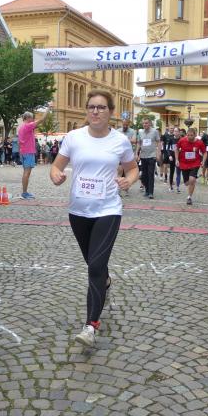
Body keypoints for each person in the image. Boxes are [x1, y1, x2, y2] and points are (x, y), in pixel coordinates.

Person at [49, 90, 137, 347]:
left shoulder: (120, 141)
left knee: (95, 266)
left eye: (101, 107)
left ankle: (90, 325)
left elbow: (133, 169)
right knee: (93, 262)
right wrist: (56, 175)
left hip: (108, 210)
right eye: (91, 107)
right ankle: (105, 282)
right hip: (78, 211)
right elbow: (56, 165)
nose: (95, 111)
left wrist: (128, 181)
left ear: (110, 112)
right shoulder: (74, 137)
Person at [175, 127, 207, 205]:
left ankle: (189, 197)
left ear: (195, 135)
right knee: (186, 183)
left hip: (195, 163)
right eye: (188, 135)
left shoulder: (199, 142)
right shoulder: (182, 140)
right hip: (184, 163)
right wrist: (177, 159)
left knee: (192, 180)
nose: (189, 137)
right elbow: (176, 149)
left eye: (191, 135)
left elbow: (205, 153)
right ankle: (196, 177)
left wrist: (203, 162)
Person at [18, 112, 44, 199]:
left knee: (26, 172)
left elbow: (19, 142)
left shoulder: (21, 127)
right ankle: (24, 193)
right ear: (28, 118)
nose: (33, 120)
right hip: (28, 152)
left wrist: (20, 152)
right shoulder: (28, 126)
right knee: (27, 173)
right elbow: (42, 120)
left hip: (24, 151)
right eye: (32, 118)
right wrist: (49, 108)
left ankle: (24, 192)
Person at [136, 117, 161, 199]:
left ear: (150, 123)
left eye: (146, 123)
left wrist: (158, 153)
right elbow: (139, 143)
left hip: (152, 156)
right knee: (144, 175)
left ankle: (150, 192)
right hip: (143, 156)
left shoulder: (155, 131)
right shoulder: (140, 132)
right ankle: (147, 189)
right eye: (143, 123)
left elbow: (158, 142)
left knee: (150, 174)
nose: (145, 124)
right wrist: (137, 154)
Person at [161, 127, 177, 191]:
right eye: (171, 128)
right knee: (165, 166)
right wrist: (161, 151)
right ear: (168, 129)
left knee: (171, 167)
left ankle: (171, 179)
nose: (172, 130)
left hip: (172, 153)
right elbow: (162, 143)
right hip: (166, 152)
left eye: (173, 129)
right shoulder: (165, 135)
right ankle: (165, 177)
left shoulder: (174, 136)